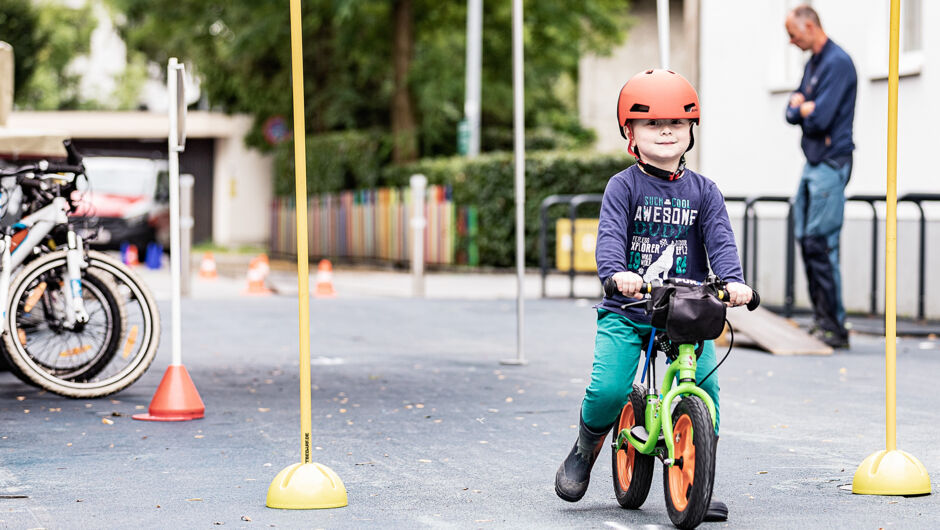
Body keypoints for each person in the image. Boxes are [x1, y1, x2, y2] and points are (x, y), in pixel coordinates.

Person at [554, 69, 752, 523]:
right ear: (630, 132)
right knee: (608, 390)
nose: (666, 131)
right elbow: (609, 239)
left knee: (707, 393)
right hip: (629, 308)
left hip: (688, 312)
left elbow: (721, 243)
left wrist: (733, 281)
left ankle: (696, 481)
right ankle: (586, 448)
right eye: (652, 123)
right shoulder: (623, 187)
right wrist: (616, 273)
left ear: (690, 132)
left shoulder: (705, 192)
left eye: (677, 123)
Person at [784, 5, 857, 349]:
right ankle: (822, 319)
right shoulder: (813, 63)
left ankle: (835, 326)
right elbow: (791, 112)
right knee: (805, 238)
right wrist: (801, 107)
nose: (791, 41)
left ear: (810, 26)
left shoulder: (837, 63)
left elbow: (820, 119)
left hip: (830, 162)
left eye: (793, 34)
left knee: (821, 243)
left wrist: (803, 107)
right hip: (812, 163)